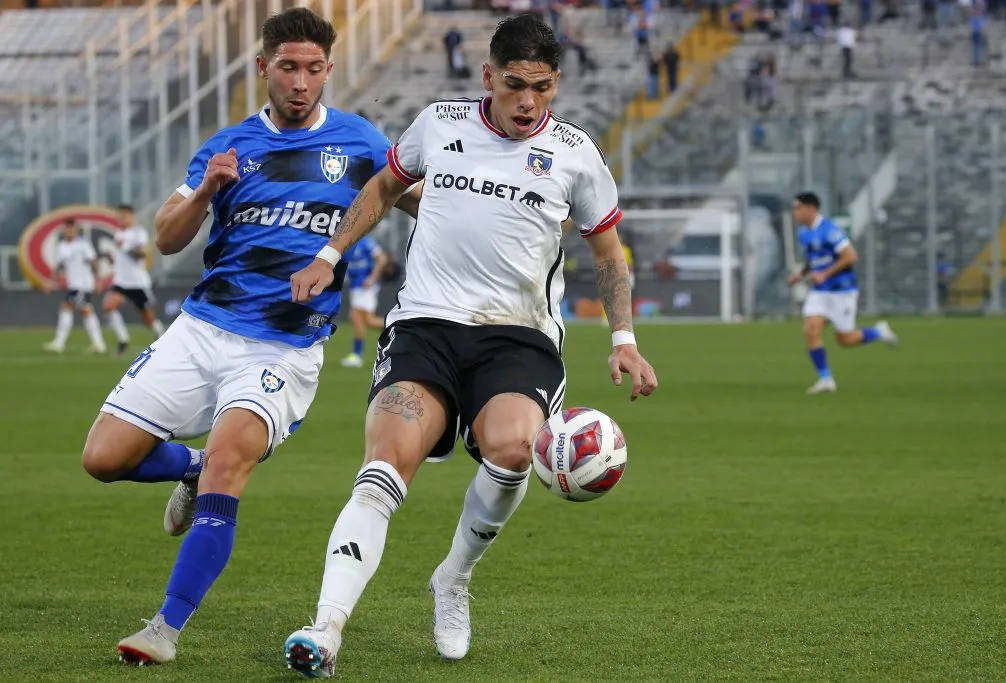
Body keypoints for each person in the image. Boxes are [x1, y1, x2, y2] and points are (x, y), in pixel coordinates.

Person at [283, 13, 658, 678]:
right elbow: (383, 188)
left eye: (541, 87)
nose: (526, 101)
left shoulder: (577, 155)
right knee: (381, 470)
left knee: (515, 449)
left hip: (519, 337)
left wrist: (623, 338)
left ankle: (453, 577)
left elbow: (607, 252)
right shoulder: (440, 123)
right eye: (514, 84)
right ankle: (326, 626)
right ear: (488, 75)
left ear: (556, 85)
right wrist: (329, 252)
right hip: (425, 325)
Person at [78, 7, 420, 666]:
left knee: (230, 464)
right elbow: (166, 235)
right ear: (264, 67)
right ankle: (188, 463)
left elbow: (412, 197)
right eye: (288, 67)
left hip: (281, 348)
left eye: (314, 69)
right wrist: (208, 187)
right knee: (103, 459)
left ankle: (164, 628)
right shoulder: (229, 145)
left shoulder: (359, 142)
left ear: (327, 70)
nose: (300, 82)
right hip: (203, 328)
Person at [787, 192, 896, 394]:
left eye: (797, 208)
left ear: (811, 208)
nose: (795, 212)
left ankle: (879, 332)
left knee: (845, 340)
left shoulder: (829, 230)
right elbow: (813, 260)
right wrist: (800, 274)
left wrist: (825, 274)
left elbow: (851, 256)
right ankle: (825, 379)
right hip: (820, 292)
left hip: (842, 291)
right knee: (811, 329)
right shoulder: (803, 232)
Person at [103, 203, 166, 357]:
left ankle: (162, 338)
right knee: (108, 306)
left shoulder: (139, 233)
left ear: (131, 216)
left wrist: (125, 248)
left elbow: (143, 254)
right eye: (119, 216)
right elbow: (120, 257)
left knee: (148, 320)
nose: (122, 219)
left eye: (124, 216)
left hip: (137, 282)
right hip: (121, 281)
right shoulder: (118, 234)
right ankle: (123, 340)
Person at [42, 218, 108, 354]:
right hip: (74, 285)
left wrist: (97, 280)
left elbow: (94, 262)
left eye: (72, 228)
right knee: (84, 311)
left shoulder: (83, 244)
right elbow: (59, 265)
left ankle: (59, 343)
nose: (69, 231)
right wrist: (51, 281)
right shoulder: (62, 246)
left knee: (68, 308)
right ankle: (98, 344)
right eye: (67, 228)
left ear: (76, 230)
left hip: (83, 284)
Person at [339, 236, 388, 368]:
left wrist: (372, 278)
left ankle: (357, 355)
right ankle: (394, 325)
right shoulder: (346, 242)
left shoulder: (365, 241)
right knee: (368, 320)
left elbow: (382, 259)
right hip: (355, 286)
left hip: (366, 286)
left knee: (356, 317)